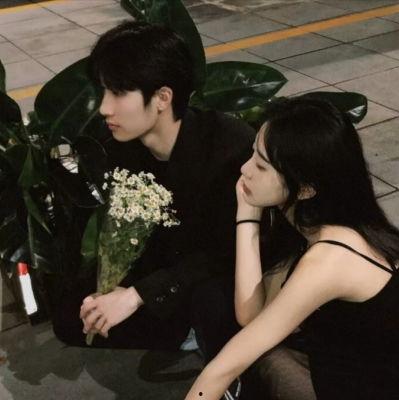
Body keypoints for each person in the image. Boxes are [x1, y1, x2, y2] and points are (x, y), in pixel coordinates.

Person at [51, 19, 255, 368]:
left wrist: (137, 295)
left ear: (162, 98)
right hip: (162, 278)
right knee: (71, 316)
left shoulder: (228, 149)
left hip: (217, 277)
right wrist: (113, 288)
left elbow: (226, 253)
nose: (104, 108)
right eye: (104, 91)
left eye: (118, 93)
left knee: (211, 303)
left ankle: (201, 335)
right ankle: (181, 331)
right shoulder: (117, 146)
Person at [185, 95, 399, 400]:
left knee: (245, 354)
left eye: (261, 165)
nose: (245, 169)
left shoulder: (329, 259)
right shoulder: (319, 222)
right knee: (216, 304)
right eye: (252, 153)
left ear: (305, 188)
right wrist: (247, 216)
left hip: (368, 386)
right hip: (348, 368)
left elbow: (225, 367)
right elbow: (251, 315)